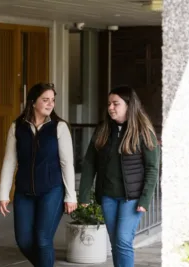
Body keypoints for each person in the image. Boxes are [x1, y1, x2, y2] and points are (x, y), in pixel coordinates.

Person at [78, 85, 160, 267]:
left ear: (129, 106)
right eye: (109, 104)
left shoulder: (143, 131)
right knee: (116, 243)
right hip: (108, 196)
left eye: (116, 103)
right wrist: (84, 194)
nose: (111, 108)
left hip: (132, 198)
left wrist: (145, 200)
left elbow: (152, 168)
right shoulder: (103, 130)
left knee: (123, 241)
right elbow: (90, 162)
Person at [0, 82, 77, 267]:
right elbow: (9, 162)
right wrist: (3, 194)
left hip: (52, 190)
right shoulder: (17, 127)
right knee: (24, 241)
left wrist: (70, 195)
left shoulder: (59, 127)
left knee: (43, 240)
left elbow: (67, 164)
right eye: (45, 100)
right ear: (33, 102)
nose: (50, 104)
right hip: (24, 192)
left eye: (53, 100)